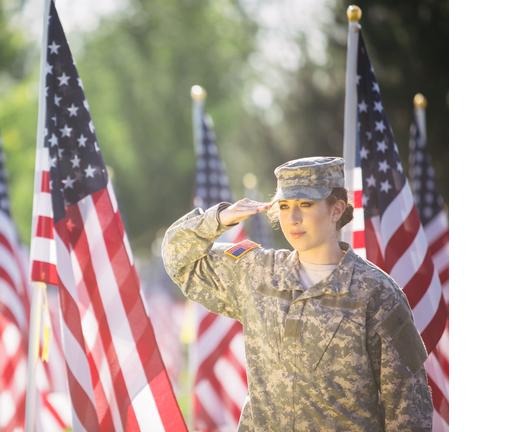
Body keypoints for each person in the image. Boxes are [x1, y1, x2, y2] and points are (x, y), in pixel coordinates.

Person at [162, 156, 433, 431]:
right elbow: (177, 258)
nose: (292, 218)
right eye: (284, 206)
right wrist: (218, 218)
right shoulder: (257, 272)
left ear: (336, 209)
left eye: (306, 204)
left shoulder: (376, 292)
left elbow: (408, 404)